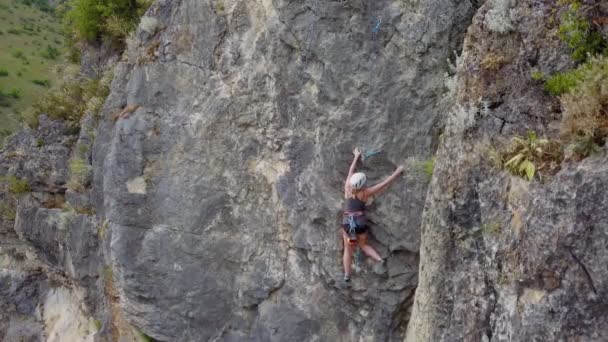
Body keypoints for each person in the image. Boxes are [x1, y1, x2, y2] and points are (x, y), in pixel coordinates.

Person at [342, 147, 404, 282]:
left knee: (348, 250)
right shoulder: (365, 193)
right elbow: (384, 184)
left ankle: (347, 275)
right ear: (363, 184)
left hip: (348, 223)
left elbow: (350, 171)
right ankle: (380, 260)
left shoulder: (347, 188)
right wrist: (397, 172)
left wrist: (356, 156)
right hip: (360, 223)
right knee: (363, 245)